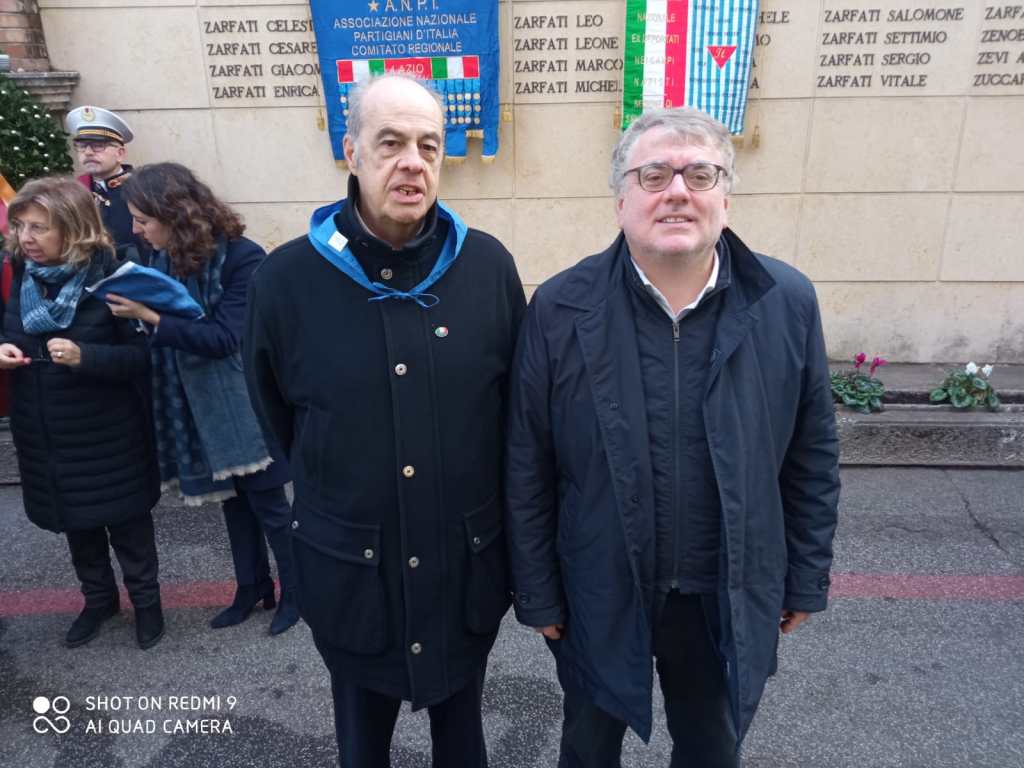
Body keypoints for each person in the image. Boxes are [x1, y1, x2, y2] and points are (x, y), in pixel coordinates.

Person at [505, 107, 841, 768]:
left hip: (722, 591)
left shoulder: (786, 302)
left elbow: (811, 455)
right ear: (621, 200)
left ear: (726, 196)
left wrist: (806, 575)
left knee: (712, 746)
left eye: (700, 174)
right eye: (654, 175)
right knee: (588, 746)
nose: (678, 192)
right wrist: (537, 590)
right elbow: (527, 462)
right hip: (599, 586)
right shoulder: (561, 307)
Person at [244, 73, 526, 767]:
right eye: (391, 143)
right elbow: (279, 416)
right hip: (352, 574)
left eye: (429, 146)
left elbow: (513, 417)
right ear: (352, 152)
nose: (413, 163)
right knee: (361, 748)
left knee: (463, 744)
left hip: (464, 569)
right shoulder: (285, 280)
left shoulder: (487, 266)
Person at [108, 162, 298, 636]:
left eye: (143, 220)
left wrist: (151, 317)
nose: (136, 230)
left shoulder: (243, 257)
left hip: (245, 405)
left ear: (174, 214)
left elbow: (224, 338)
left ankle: (298, 593)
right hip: (196, 404)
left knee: (271, 508)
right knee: (233, 504)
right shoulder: (161, 258)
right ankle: (251, 587)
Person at [0, 176, 164, 649]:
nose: (26, 238)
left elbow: (145, 357)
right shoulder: (21, 274)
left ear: (72, 228)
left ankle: (148, 605)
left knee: (128, 526)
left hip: (108, 434)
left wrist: (86, 357)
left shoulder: (114, 276)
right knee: (77, 525)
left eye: (39, 227)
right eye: (21, 227)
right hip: (45, 433)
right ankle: (98, 600)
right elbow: (11, 333)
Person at [65, 106, 147, 261]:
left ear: (120, 153)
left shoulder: (144, 189)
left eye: (98, 146)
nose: (88, 152)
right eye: (82, 146)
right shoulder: (73, 192)